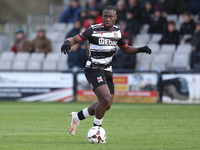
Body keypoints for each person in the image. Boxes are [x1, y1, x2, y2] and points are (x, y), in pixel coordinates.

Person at [60, 5, 152, 139]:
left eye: (111, 17)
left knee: (106, 105)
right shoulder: (93, 30)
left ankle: (77, 116)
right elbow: (74, 39)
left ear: (115, 17)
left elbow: (125, 49)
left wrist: (140, 49)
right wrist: (67, 42)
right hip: (93, 69)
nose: (108, 19)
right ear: (102, 17)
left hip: (107, 71)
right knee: (105, 99)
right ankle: (97, 131)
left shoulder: (117, 32)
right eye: (105, 16)